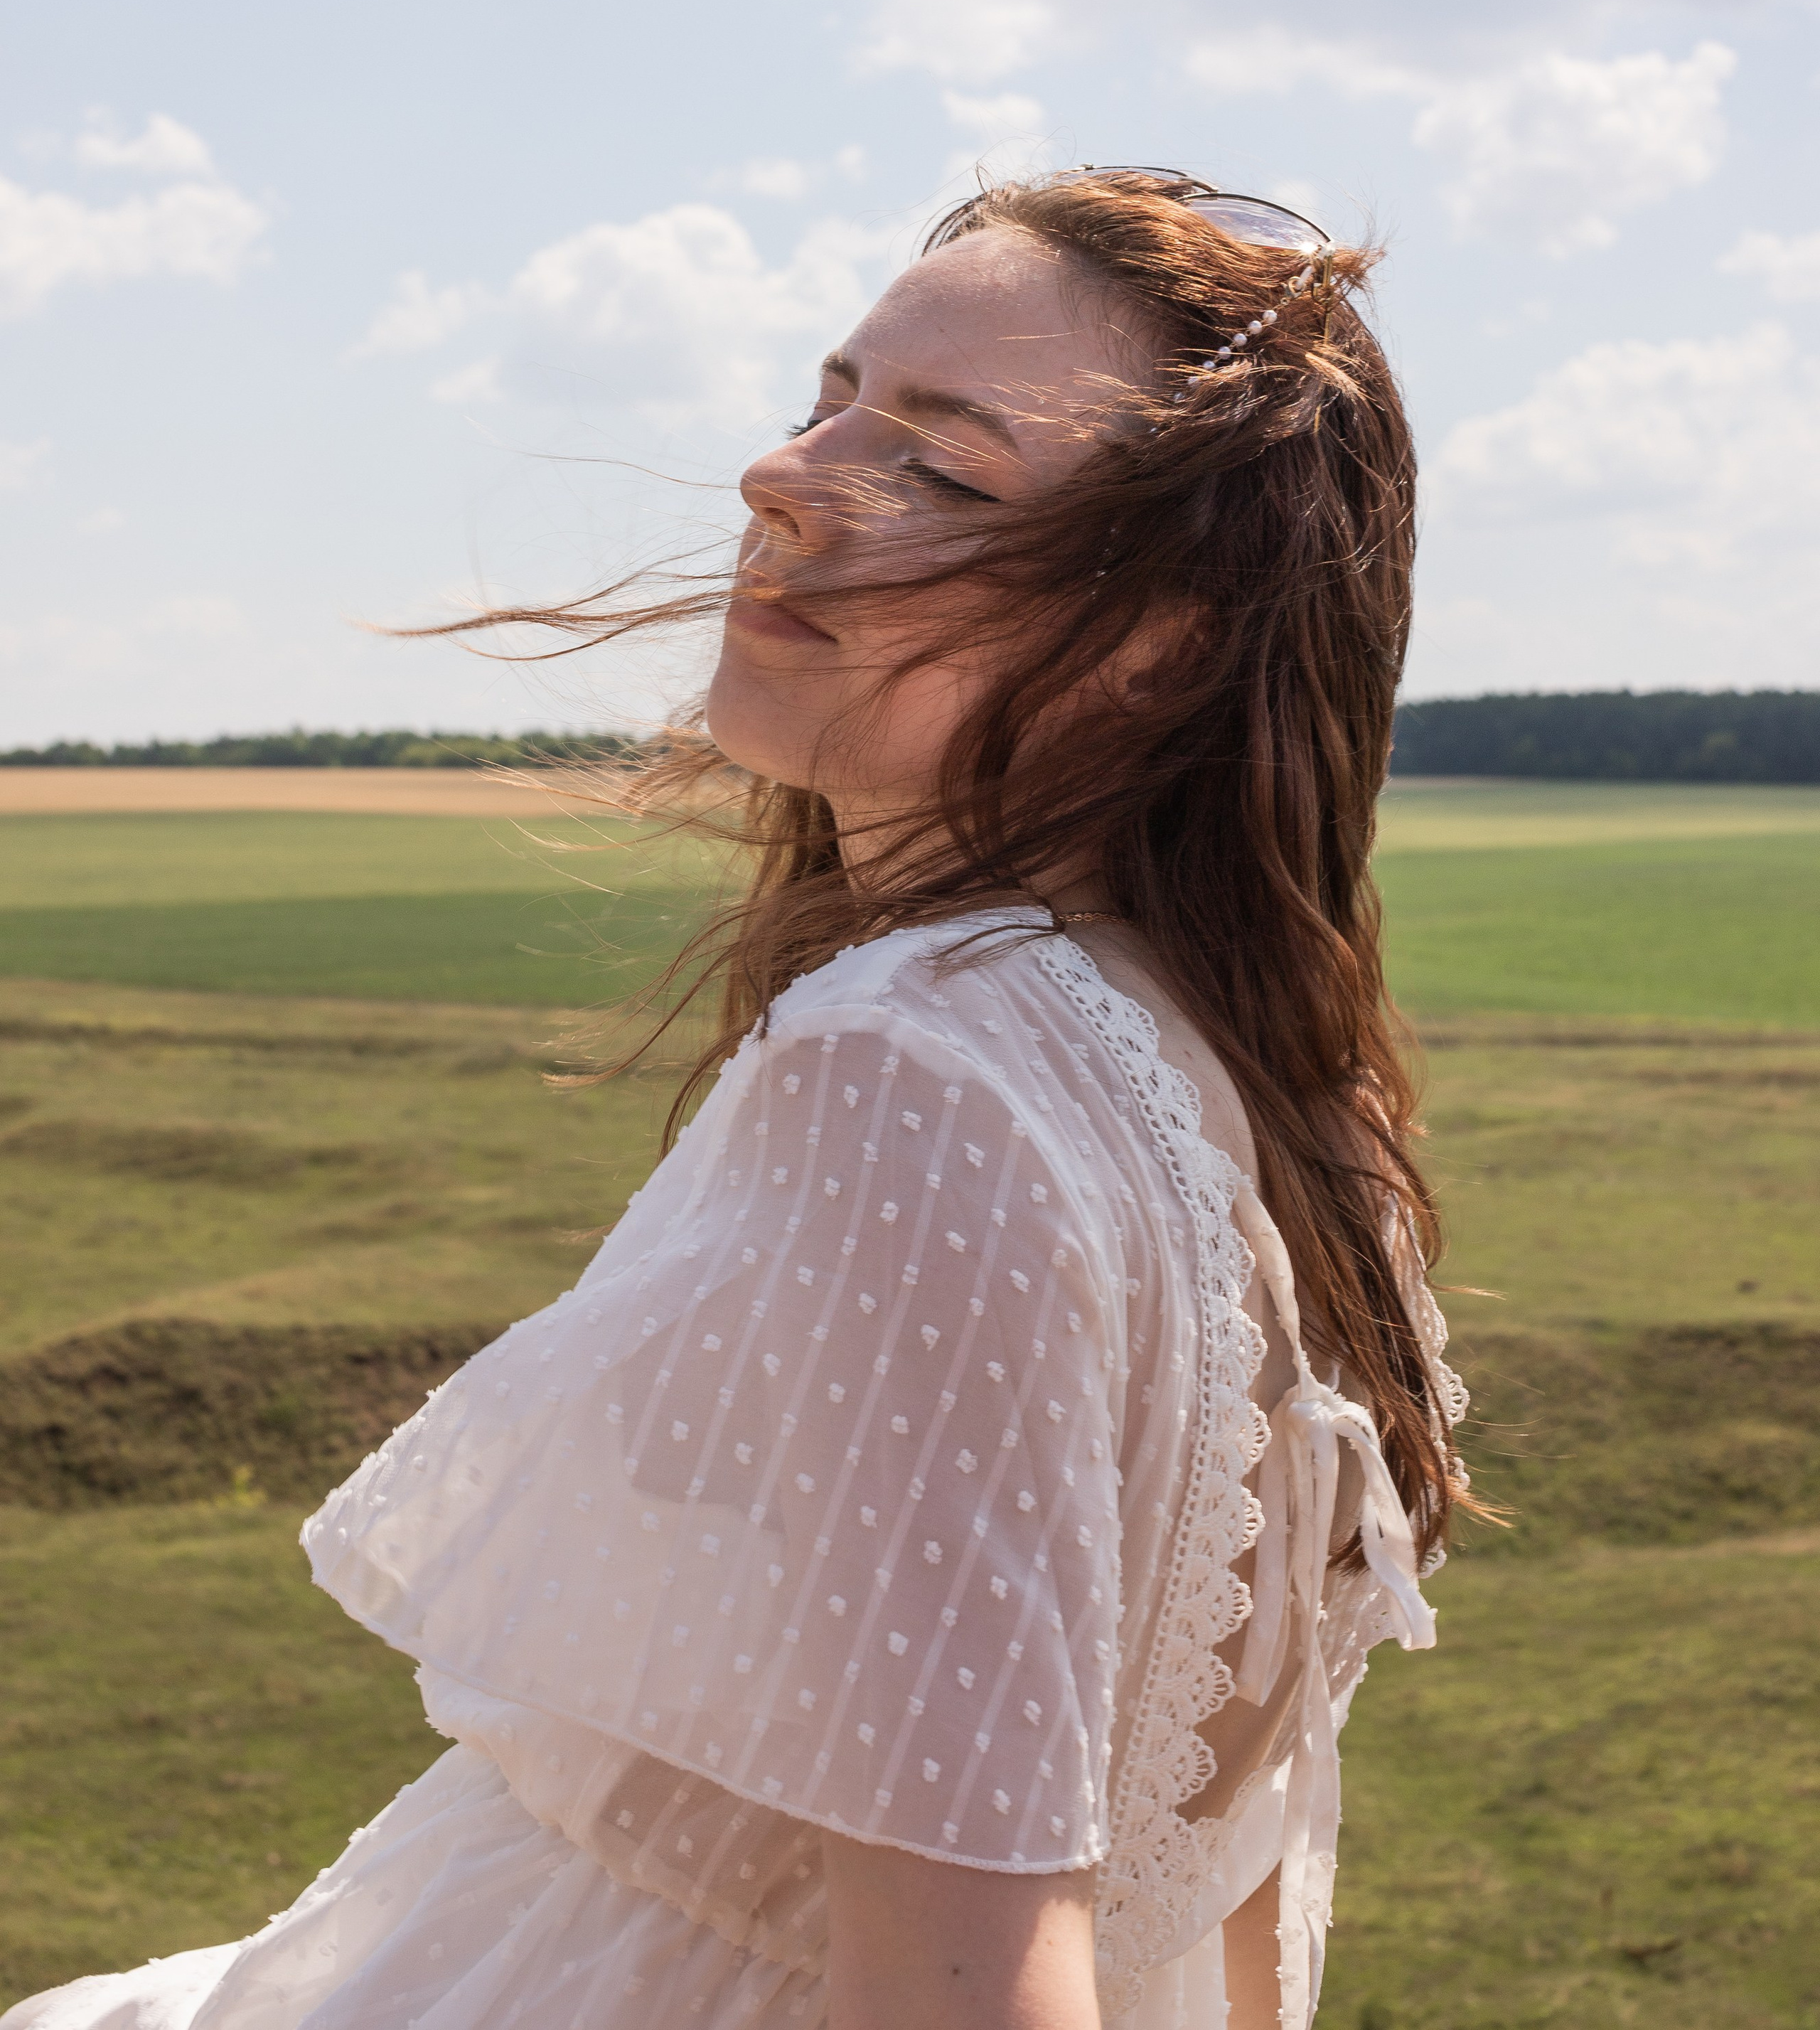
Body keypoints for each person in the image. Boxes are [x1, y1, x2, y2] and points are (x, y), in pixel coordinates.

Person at [9, 168, 1468, 2030]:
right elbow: (1233, 1884)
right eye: (829, 399)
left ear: (1167, 632)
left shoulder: (927, 1073)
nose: (786, 477)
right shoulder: (1273, 1104)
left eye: (939, 467)